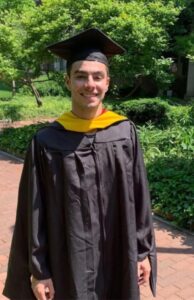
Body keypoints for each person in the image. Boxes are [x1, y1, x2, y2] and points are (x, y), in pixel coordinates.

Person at [3, 28, 157, 300]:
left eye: (98, 77)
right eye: (81, 76)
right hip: (67, 263)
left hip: (118, 255)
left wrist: (142, 252)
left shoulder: (123, 133)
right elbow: (33, 212)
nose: (90, 84)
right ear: (68, 82)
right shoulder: (46, 141)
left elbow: (139, 196)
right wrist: (39, 271)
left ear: (108, 82)